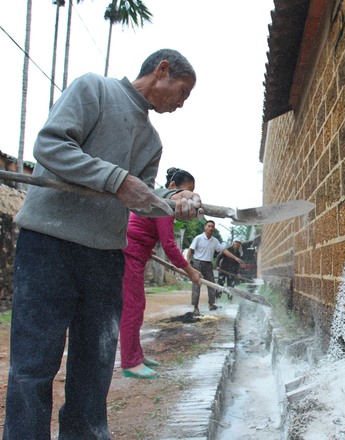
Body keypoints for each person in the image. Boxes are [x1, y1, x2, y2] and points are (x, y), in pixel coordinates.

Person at [4, 49, 201, 440]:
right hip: (49, 245)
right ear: (162, 71)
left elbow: (142, 202)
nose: (182, 103)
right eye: (182, 92)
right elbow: (51, 146)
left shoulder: (151, 139)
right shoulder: (93, 89)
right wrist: (116, 180)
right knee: (33, 365)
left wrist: (173, 202)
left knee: (94, 367)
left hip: (106, 257)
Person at [120, 167, 203, 380]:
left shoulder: (156, 197)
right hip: (130, 255)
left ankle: (136, 355)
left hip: (136, 253)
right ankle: (130, 362)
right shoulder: (165, 203)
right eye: (185, 193)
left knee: (137, 305)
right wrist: (190, 271)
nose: (186, 200)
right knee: (133, 307)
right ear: (172, 187)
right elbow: (169, 245)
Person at [186, 220, 224, 315]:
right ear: (205, 227)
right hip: (198, 263)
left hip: (208, 264)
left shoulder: (215, 241)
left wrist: (235, 257)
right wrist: (187, 262)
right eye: (209, 226)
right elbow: (190, 250)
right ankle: (195, 307)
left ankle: (211, 304)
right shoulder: (198, 238)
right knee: (196, 285)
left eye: (212, 227)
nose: (211, 228)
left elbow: (223, 250)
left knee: (212, 284)